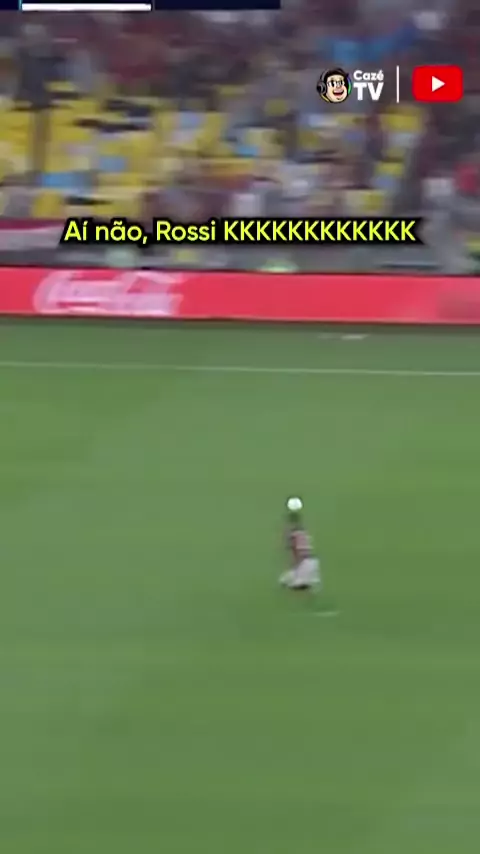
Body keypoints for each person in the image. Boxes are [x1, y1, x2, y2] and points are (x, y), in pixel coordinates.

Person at [279, 497, 320, 591]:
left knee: (294, 586)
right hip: (311, 563)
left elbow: (296, 556)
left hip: (303, 565)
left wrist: (294, 568)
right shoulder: (302, 533)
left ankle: (305, 584)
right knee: (285, 581)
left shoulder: (293, 538)